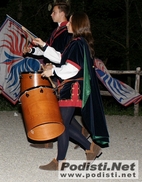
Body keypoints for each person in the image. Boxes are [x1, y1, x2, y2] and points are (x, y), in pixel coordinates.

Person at [37, 11, 109, 170]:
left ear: (76, 24)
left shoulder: (77, 43)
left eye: (69, 22)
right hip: (72, 86)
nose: (67, 24)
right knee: (63, 122)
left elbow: (72, 67)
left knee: (61, 123)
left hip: (72, 87)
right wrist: (43, 45)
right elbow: (61, 58)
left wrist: (53, 72)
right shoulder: (78, 42)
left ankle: (62, 160)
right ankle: (89, 149)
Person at [25, 1, 88, 149]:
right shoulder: (57, 31)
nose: (51, 14)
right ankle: (63, 137)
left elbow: (63, 56)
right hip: (56, 72)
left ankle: (82, 143)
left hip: (63, 75)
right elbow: (48, 49)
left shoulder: (69, 32)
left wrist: (53, 67)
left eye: (54, 12)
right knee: (59, 110)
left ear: (62, 13)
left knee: (60, 113)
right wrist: (33, 50)